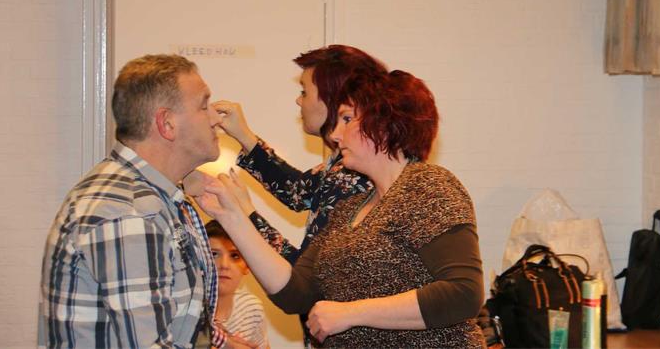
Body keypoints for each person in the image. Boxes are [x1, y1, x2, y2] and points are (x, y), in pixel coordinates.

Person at [198, 69, 486, 347]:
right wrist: (232, 216)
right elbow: (295, 293)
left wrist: (351, 313)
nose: (335, 135)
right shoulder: (348, 210)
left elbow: (463, 294)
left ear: (386, 124)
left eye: (347, 119)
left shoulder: (426, 185)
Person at [38, 54, 242, 348]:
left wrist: (221, 342)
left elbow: (177, 317)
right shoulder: (129, 213)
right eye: (203, 106)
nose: (215, 118)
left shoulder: (153, 196)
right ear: (167, 124)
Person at [208, 45, 387, 262]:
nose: (299, 101)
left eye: (304, 92)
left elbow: (303, 274)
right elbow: (298, 191)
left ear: (333, 100)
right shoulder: (345, 165)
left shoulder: (352, 175)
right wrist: (244, 136)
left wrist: (243, 213)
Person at [196, 221, 270, 349]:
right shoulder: (186, 310)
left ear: (248, 265)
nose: (224, 265)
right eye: (214, 254)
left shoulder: (250, 309)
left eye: (235, 256)